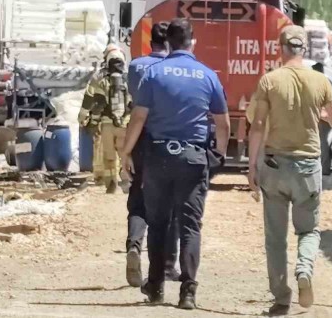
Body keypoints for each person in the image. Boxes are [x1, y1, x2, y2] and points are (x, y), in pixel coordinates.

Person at [121, 18, 230, 310]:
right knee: (190, 226)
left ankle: (156, 286)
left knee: (158, 223)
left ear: (168, 42)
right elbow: (223, 124)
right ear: (192, 42)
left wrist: (126, 153)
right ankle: (188, 292)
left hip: (158, 156)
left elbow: (139, 117)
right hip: (193, 157)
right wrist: (218, 156)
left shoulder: (153, 74)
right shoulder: (208, 75)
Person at [247, 25, 332, 317]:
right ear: (305, 49)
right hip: (308, 167)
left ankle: (281, 298)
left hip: (274, 165)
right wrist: (320, 113)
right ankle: (304, 269)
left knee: (275, 237)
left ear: (280, 48)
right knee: (309, 230)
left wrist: (252, 166)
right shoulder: (320, 80)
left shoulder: (270, 80)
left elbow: (258, 125)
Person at [124, 22, 180, 287]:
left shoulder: (136, 66)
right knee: (170, 202)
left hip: (139, 137)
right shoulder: (173, 69)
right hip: (167, 139)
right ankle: (167, 264)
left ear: (150, 42)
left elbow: (134, 100)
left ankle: (134, 245)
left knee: (138, 198)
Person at [78, 44, 131, 194]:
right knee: (125, 153)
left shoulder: (99, 76)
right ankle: (127, 181)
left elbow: (92, 99)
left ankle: (111, 184)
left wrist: (84, 117)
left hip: (107, 124)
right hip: (125, 124)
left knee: (109, 156)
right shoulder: (130, 76)